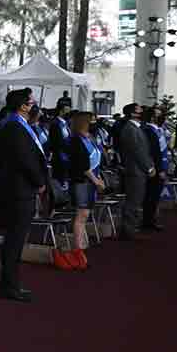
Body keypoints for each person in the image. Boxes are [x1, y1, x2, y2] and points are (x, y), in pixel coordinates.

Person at [0, 88, 49, 302]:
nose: (34, 104)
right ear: (23, 106)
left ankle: (11, 282)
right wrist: (39, 181)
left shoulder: (17, 125)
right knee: (15, 239)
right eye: (31, 101)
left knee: (16, 239)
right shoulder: (14, 127)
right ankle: (10, 285)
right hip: (19, 189)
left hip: (19, 188)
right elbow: (25, 160)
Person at [65, 111, 105, 269]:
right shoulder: (75, 140)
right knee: (81, 214)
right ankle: (78, 248)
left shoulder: (91, 138)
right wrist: (96, 181)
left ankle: (81, 245)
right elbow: (82, 166)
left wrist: (98, 179)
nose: (95, 122)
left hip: (92, 180)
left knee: (86, 214)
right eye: (92, 120)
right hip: (82, 181)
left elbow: (96, 159)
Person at [114, 103, 152, 240]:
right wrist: (149, 167)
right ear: (133, 114)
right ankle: (128, 231)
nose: (142, 111)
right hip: (135, 170)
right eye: (139, 109)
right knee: (133, 201)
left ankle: (131, 229)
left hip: (138, 170)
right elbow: (137, 151)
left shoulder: (136, 128)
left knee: (136, 201)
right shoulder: (130, 129)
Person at [140, 106, 168, 231]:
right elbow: (153, 152)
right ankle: (147, 222)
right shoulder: (148, 130)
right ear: (152, 117)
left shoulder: (159, 130)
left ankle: (151, 220)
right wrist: (159, 169)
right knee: (151, 196)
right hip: (155, 168)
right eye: (159, 114)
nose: (162, 117)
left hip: (163, 164)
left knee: (155, 196)